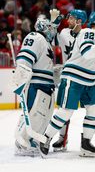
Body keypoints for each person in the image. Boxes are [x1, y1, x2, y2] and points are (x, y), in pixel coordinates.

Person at [38, 11, 95, 157]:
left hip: (89, 80)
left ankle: (85, 144)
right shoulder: (88, 32)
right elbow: (87, 52)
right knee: (66, 112)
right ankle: (45, 139)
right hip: (74, 77)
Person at [13, 14, 57, 156]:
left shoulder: (44, 41)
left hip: (45, 84)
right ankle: (23, 142)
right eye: (50, 27)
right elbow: (24, 59)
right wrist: (22, 74)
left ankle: (32, 140)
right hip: (36, 84)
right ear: (43, 27)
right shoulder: (35, 37)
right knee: (34, 113)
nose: (52, 30)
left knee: (42, 115)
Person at [51, 9, 88, 152]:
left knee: (93, 109)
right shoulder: (65, 32)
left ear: (79, 21)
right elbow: (50, 38)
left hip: (86, 76)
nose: (68, 20)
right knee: (64, 110)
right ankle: (62, 139)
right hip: (70, 75)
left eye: (72, 18)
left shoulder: (88, 35)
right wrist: (53, 24)